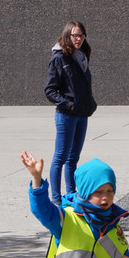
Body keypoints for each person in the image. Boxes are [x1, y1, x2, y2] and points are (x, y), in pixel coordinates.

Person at [43, 21, 97, 205]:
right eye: (75, 35)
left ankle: (72, 194)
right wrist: (69, 104)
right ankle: (56, 199)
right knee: (61, 157)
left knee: (74, 158)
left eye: (81, 35)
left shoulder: (82, 56)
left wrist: (89, 103)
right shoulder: (59, 58)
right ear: (67, 36)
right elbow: (50, 91)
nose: (79, 39)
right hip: (66, 115)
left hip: (82, 114)